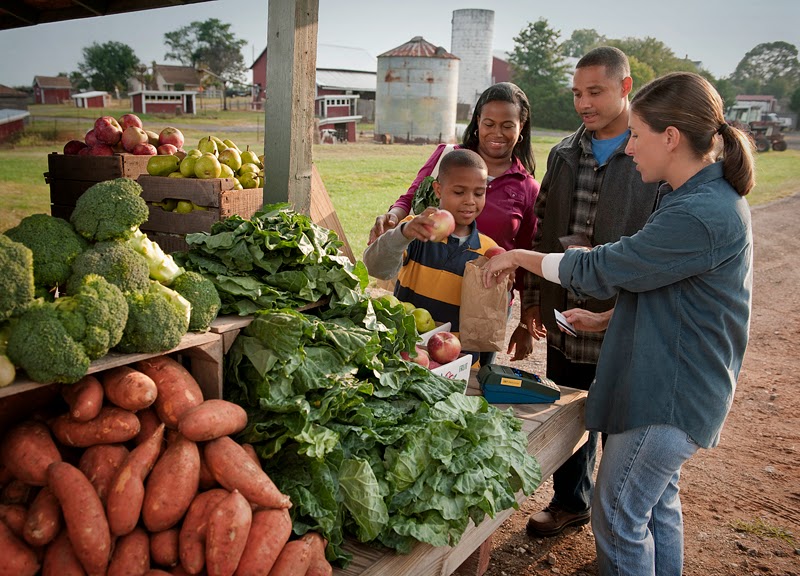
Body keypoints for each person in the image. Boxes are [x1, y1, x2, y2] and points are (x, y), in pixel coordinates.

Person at [483, 71, 755, 576]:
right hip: (675, 385)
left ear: (670, 138)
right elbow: (670, 286)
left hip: (667, 396)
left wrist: (519, 256)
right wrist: (612, 316)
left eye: (637, 135)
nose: (629, 148)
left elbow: (604, 266)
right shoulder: (692, 198)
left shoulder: (697, 212)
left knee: (617, 516)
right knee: (655, 509)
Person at [516, 46, 660, 538]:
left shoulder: (651, 155)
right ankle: (569, 501)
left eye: (594, 91)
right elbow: (540, 230)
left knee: (620, 422)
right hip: (564, 310)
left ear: (625, 87)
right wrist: (534, 297)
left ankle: (616, 520)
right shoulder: (562, 154)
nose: (583, 103)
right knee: (570, 411)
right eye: (577, 93)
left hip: (624, 316)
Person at [368, 82, 540, 358]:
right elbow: (410, 196)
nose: (497, 132)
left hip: (481, 305)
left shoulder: (527, 187)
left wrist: (524, 321)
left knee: (469, 373)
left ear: (521, 128)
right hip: (425, 275)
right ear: (477, 123)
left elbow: (527, 257)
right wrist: (395, 220)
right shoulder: (448, 157)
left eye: (507, 125)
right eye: (489, 123)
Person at [362, 149, 499, 354]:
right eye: (459, 192)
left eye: (479, 193)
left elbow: (487, 315)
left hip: (456, 358)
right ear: (438, 189)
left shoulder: (488, 250)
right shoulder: (415, 230)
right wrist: (403, 234)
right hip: (406, 351)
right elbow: (376, 267)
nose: (470, 200)